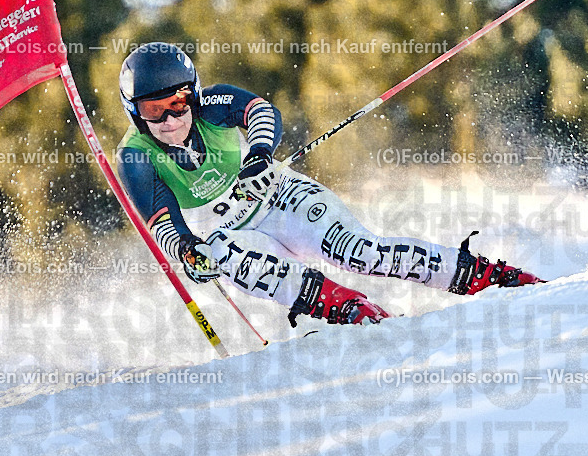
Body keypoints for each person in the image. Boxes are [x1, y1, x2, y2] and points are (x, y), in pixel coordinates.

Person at [115, 42, 542, 327]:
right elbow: (164, 224)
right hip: (233, 233)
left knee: (360, 252)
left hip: (279, 197)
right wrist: (188, 252)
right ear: (134, 112)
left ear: (194, 93)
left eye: (179, 103)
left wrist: (260, 155)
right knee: (221, 254)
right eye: (154, 110)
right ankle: (353, 311)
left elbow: (261, 114)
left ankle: (492, 276)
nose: (171, 119)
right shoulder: (135, 156)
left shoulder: (213, 102)